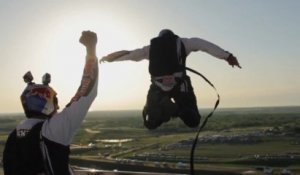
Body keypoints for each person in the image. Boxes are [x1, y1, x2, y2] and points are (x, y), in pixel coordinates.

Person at [100, 29, 241, 130]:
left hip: (158, 85)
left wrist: (109, 58)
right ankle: (178, 110)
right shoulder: (184, 43)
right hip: (180, 84)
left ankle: (164, 108)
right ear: (174, 36)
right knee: (193, 121)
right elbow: (205, 45)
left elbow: (131, 54)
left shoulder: (151, 48)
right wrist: (227, 56)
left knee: (151, 123)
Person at [2, 30, 99, 175]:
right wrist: (91, 50)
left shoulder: (13, 137)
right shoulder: (51, 130)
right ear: (45, 102)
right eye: (55, 101)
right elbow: (85, 93)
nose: (58, 107)